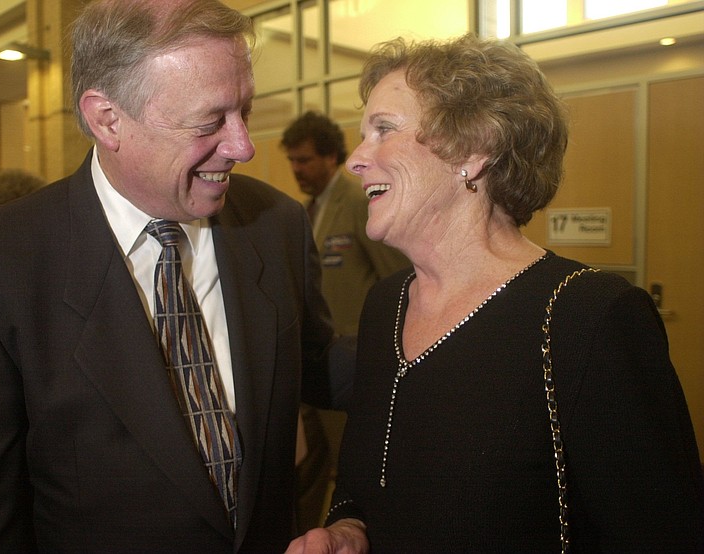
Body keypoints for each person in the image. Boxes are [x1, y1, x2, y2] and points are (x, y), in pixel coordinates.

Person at [0, 0, 353, 551]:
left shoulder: (274, 224)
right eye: (210, 121)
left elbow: (312, 363)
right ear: (108, 119)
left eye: (245, 110)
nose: (243, 146)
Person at [287, 34, 704, 553]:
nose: (356, 159)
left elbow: (663, 534)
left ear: (472, 147)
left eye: (384, 130)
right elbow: (363, 484)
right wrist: (349, 530)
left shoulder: (587, 316)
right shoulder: (386, 306)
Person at [281, 112, 409, 531]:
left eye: (305, 160)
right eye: (293, 162)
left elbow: (397, 277)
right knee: (305, 470)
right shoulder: (306, 211)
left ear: (330, 156)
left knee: (351, 470)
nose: (297, 170)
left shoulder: (356, 201)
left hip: (353, 364)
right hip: (314, 365)